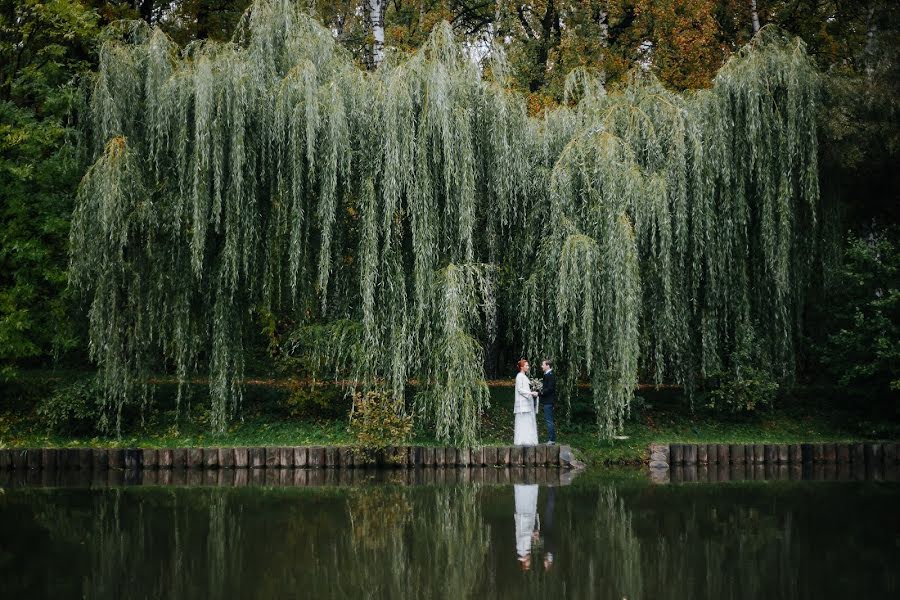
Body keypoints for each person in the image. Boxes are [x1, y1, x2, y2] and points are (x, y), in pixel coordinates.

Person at [513, 359, 539, 446]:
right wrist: (530, 393)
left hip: (528, 402)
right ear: (521, 367)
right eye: (526, 365)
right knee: (523, 421)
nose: (528, 367)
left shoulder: (525, 377)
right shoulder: (519, 376)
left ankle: (529, 439)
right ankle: (522, 440)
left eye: (528, 365)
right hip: (522, 403)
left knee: (528, 421)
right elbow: (520, 390)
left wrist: (534, 391)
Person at [538, 359, 556, 445]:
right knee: (549, 420)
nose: (541, 366)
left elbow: (550, 389)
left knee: (549, 420)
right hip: (547, 401)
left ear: (548, 365)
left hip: (548, 401)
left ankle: (551, 440)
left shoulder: (550, 375)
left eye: (543, 365)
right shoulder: (547, 374)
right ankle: (551, 439)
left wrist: (540, 393)